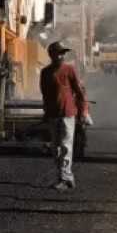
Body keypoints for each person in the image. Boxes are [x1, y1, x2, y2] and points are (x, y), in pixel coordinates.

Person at [40, 42, 87, 191]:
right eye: (58, 53)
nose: (61, 56)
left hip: (68, 113)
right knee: (56, 149)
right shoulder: (45, 72)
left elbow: (79, 92)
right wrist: (46, 112)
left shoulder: (69, 70)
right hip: (53, 114)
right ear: (51, 55)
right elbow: (45, 94)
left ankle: (64, 179)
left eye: (63, 53)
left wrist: (84, 110)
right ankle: (67, 176)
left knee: (66, 146)